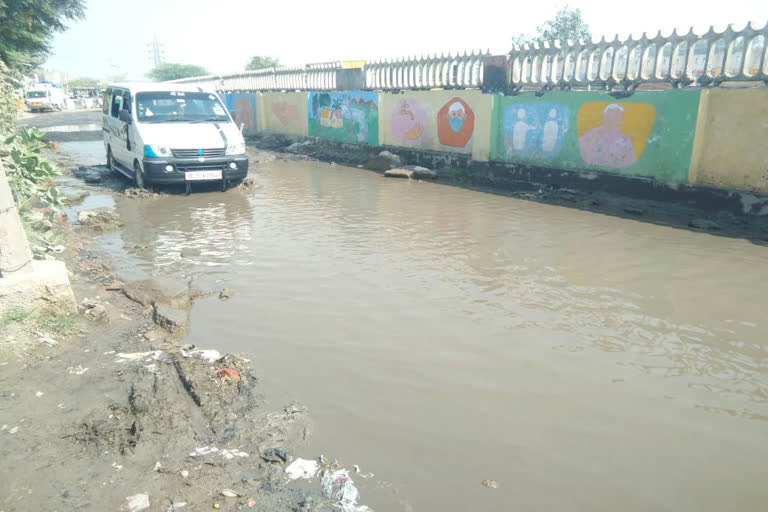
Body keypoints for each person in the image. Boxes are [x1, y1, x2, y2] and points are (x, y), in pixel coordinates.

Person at [579, 103, 636, 168]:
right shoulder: (591, 133)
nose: (611, 119)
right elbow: (580, 152)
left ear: (620, 119)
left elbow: (629, 162)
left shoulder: (625, 139)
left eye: (616, 116)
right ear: (603, 116)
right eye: (609, 115)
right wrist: (595, 135)